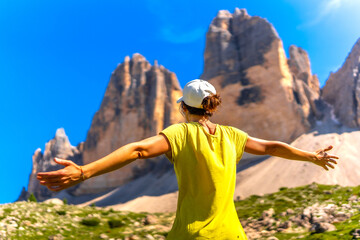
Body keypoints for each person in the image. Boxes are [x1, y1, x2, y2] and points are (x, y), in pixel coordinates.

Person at [37, 79, 338, 240]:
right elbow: (272, 147)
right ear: (212, 107)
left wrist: (85, 172)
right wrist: (311, 156)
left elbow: (138, 149)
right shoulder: (232, 135)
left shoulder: (180, 133)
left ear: (184, 107)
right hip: (232, 235)